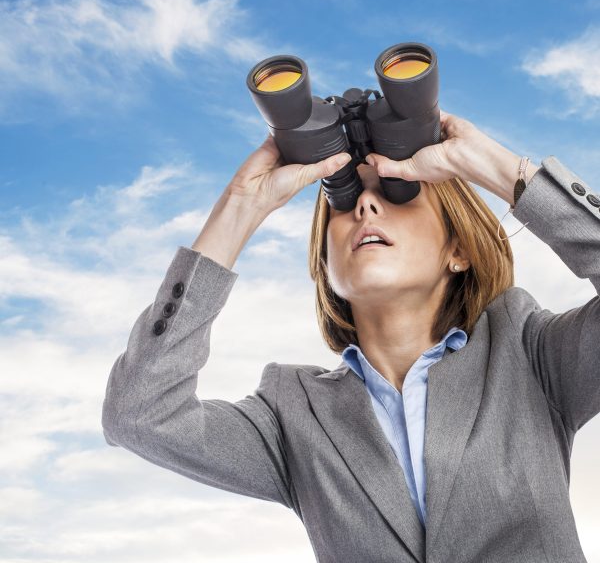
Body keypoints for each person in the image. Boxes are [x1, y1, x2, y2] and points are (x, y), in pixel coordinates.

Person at [102, 110, 600, 563]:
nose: (364, 205)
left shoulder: (530, 354)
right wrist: (239, 209)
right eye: (343, 200)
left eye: (397, 190)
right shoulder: (291, 414)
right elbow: (138, 414)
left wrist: (496, 168)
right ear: (325, 263)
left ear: (459, 249)